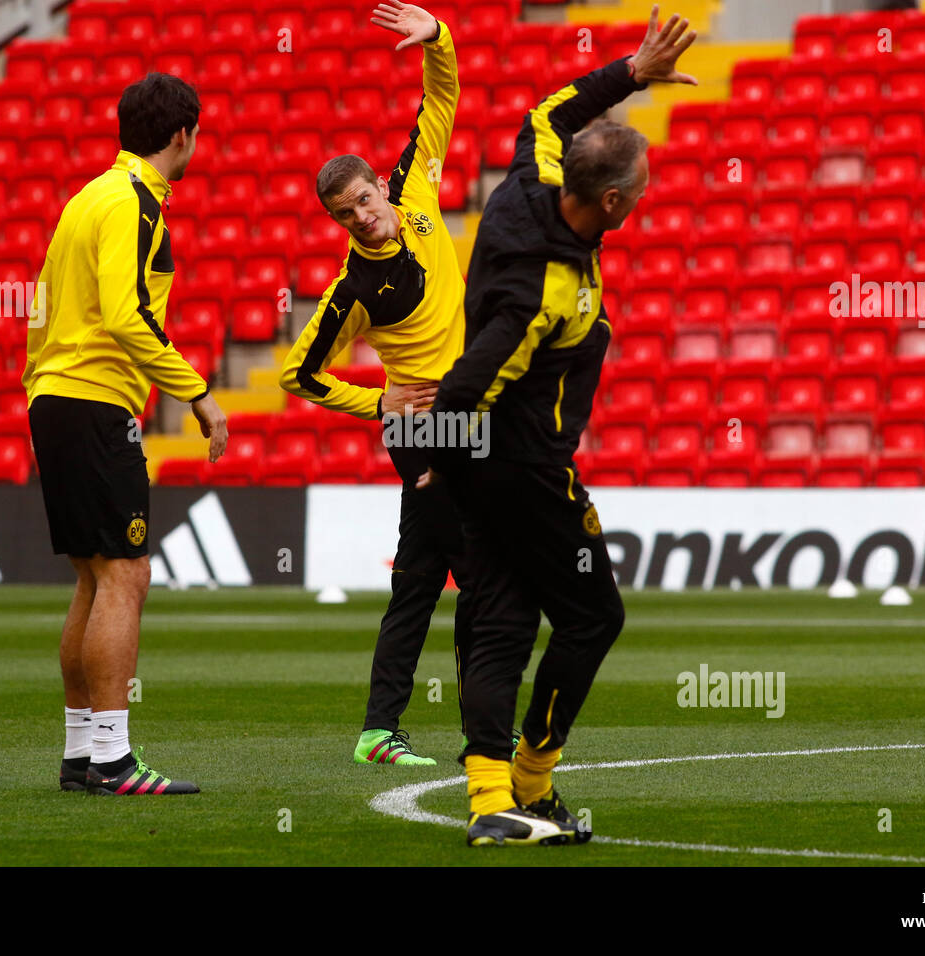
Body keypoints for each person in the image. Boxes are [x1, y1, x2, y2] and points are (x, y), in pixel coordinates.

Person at [423, 7, 698, 844]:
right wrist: (431, 460)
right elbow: (472, 382)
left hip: (490, 464)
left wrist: (632, 74)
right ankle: (535, 783)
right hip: (524, 465)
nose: (642, 204)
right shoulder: (540, 291)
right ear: (610, 201)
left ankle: (487, 805)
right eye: (640, 195)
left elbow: (546, 115)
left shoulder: (532, 180)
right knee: (592, 617)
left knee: (503, 617)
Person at [24, 72, 228, 795]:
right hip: (95, 400)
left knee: (93, 576)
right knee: (126, 574)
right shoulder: (134, 201)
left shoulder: (85, 198)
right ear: (183, 134)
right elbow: (123, 313)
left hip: (58, 396)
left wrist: (37, 390)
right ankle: (112, 759)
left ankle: (83, 754)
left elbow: (42, 309)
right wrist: (197, 393)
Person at [280, 1, 471, 765]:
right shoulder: (352, 291)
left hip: (468, 415)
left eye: (363, 200)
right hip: (428, 430)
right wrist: (378, 403)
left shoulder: (416, 192)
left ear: (379, 189)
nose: (359, 217)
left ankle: (378, 731)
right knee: (482, 577)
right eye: (342, 214)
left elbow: (442, 102)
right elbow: (299, 374)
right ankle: (485, 738)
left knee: (421, 579)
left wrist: (440, 41)